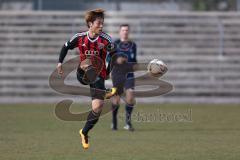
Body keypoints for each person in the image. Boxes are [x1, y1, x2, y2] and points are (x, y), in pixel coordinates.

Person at [56, 9, 117, 149]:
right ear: (90, 24)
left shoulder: (106, 39)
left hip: (99, 78)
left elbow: (114, 55)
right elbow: (65, 47)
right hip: (82, 73)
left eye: (103, 23)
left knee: (97, 108)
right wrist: (60, 62)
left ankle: (84, 132)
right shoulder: (80, 37)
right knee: (88, 62)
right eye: (98, 23)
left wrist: (108, 71)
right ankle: (105, 92)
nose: (101, 26)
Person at [110, 24, 137, 131]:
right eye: (123, 30)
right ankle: (114, 121)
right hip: (117, 74)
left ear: (128, 32)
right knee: (116, 100)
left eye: (126, 30)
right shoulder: (114, 44)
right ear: (119, 32)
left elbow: (134, 60)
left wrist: (131, 63)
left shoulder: (133, 45)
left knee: (130, 98)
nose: (125, 32)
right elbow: (109, 59)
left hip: (129, 74)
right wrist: (116, 60)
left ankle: (128, 122)